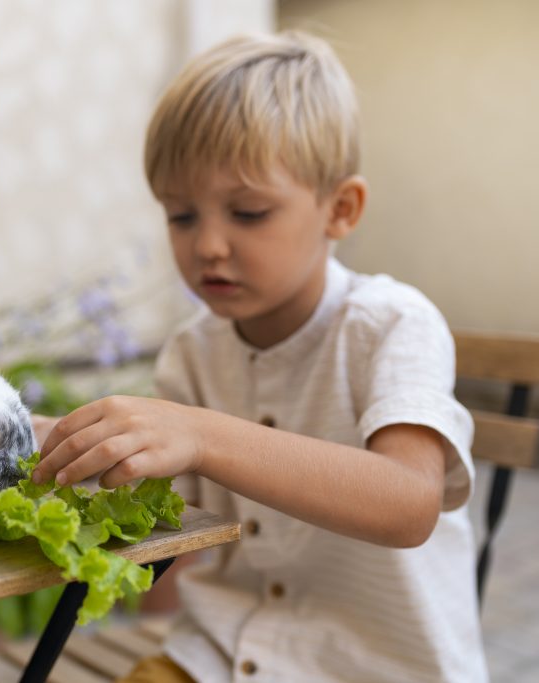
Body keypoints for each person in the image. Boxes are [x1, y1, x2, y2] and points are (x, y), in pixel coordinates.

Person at [30, 31, 488, 682]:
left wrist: (200, 434)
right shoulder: (195, 351)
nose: (208, 245)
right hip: (221, 655)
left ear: (340, 210)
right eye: (181, 216)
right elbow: (169, 523)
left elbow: (410, 502)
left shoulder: (391, 325)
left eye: (247, 213)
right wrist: (67, 444)